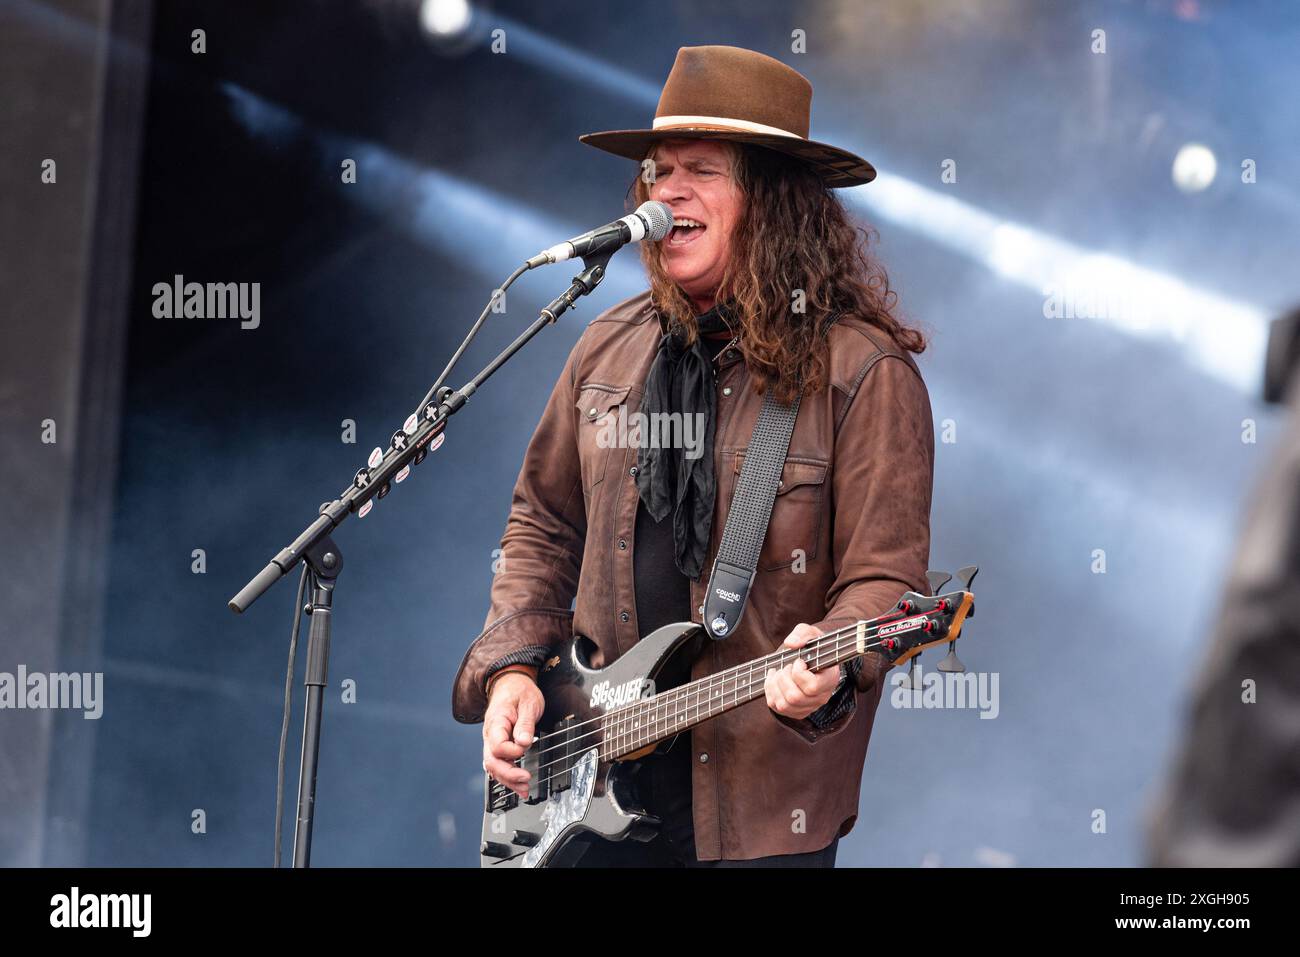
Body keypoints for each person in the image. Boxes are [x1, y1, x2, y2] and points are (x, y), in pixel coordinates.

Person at [451, 45, 935, 866]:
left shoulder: (861, 373)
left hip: (756, 816)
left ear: (774, 202)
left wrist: (835, 660)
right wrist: (512, 669)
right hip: (584, 793)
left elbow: (886, 580)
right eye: (657, 171)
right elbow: (542, 522)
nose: (665, 192)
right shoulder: (608, 347)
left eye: (700, 170)